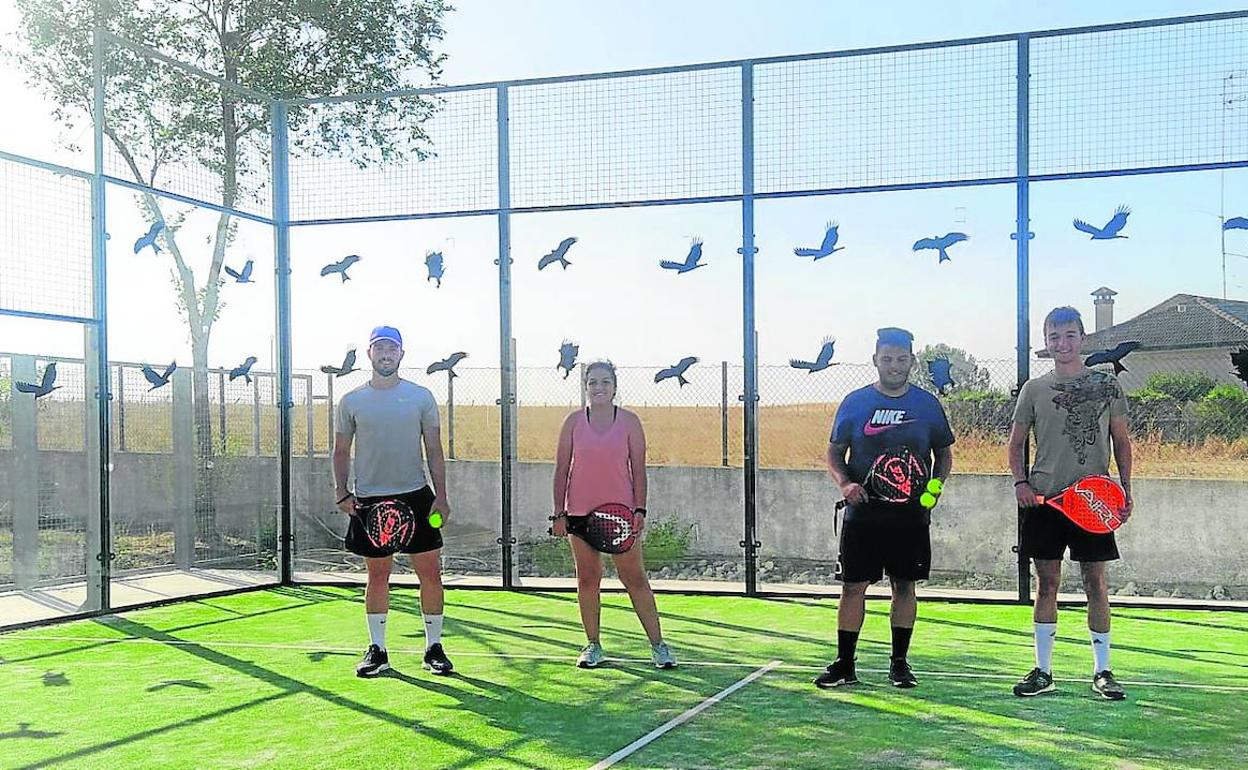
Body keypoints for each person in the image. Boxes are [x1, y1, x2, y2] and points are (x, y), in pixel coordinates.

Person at [815, 327, 954, 689]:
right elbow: (833, 454)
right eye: (888, 359)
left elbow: (944, 454)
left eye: (902, 359)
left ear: (911, 361)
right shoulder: (855, 403)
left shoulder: (926, 404)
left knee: (905, 587)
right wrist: (846, 484)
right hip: (863, 516)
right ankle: (845, 664)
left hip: (910, 517)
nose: (895, 366)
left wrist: (934, 488)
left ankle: (900, 664)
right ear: (876, 360)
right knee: (852, 587)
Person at [1009, 306, 1133, 700]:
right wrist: (1021, 483)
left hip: (1094, 503)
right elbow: (1015, 444)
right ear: (1046, 344)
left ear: (1082, 338)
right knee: (1047, 585)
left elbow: (1121, 441)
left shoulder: (1107, 386)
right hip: (1045, 504)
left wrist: (1125, 489)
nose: (1062, 343)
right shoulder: (1033, 389)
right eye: (1054, 337)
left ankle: (1103, 671)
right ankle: (1043, 671)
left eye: (1069, 335)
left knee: (1096, 584)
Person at [333, 325, 454, 677]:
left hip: (418, 498)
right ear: (369, 353)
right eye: (379, 348)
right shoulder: (352, 401)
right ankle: (378, 650)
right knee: (378, 574)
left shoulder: (420, 397)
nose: (386, 353)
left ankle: (433, 648)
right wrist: (342, 492)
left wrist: (441, 496)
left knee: (430, 573)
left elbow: (434, 449)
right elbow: (341, 451)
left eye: (392, 348)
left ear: (401, 354)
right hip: (370, 501)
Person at [551, 360, 677, 669]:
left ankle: (659, 646)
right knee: (588, 579)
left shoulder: (630, 422)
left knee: (634, 577)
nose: (599, 388)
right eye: (593, 382)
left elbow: (639, 470)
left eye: (605, 382)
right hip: (579, 515)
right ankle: (593, 645)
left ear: (615, 386)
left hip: (621, 516)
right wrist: (559, 514)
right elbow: (561, 470)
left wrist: (639, 509)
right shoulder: (573, 423)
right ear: (586, 387)